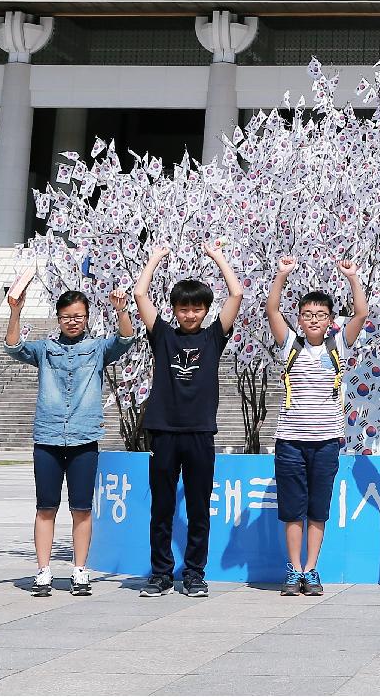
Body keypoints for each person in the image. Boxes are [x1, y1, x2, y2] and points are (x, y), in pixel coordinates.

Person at [3, 273, 135, 598]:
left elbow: (126, 340)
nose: (72, 322)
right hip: (47, 438)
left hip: (84, 439)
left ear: (87, 317)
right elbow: (13, 347)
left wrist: (121, 310)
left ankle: (79, 570)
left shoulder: (97, 349)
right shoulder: (46, 349)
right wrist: (16, 311)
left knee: (82, 508)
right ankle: (44, 571)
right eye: (66, 317)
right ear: (58, 318)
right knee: (45, 507)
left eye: (78, 316)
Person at [134, 239, 242, 599]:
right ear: (175, 310)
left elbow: (237, 294)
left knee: (198, 507)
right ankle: (161, 573)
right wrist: (154, 258)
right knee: (161, 507)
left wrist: (218, 256)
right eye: (184, 308)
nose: (190, 314)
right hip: (163, 432)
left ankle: (194, 572)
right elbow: (139, 294)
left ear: (206, 311)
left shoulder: (214, 337)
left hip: (199, 433)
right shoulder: (163, 335)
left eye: (197, 308)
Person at [263, 255, 370, 597]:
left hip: (326, 441)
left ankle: (312, 569)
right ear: (300, 318)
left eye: (321, 315)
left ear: (329, 320)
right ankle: (293, 571)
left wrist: (353, 278)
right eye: (307, 315)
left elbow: (362, 314)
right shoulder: (289, 345)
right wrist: (281, 275)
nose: (313, 320)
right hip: (290, 440)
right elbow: (271, 310)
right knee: (293, 509)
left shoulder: (337, 345)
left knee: (317, 509)